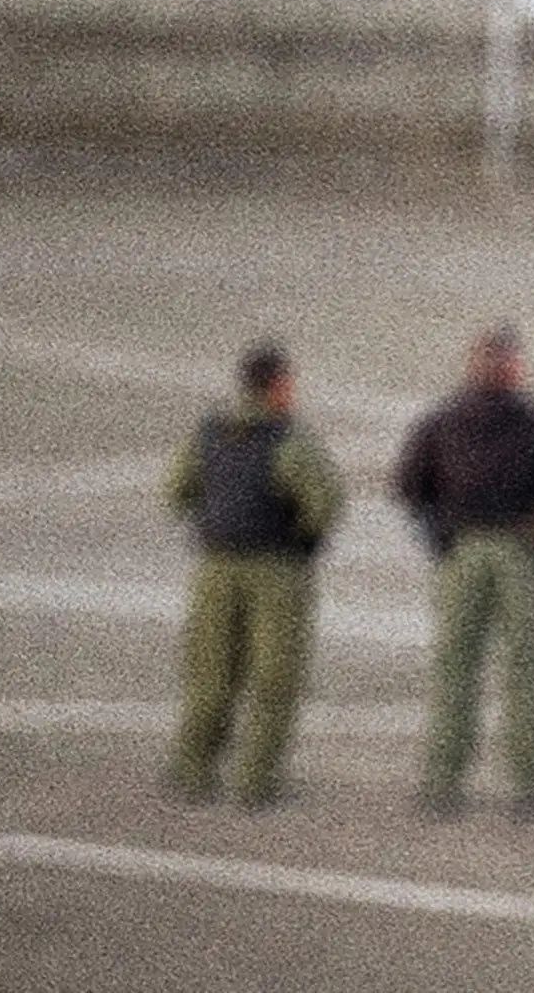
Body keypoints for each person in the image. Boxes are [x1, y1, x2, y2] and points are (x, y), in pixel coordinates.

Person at [392, 323, 534, 817]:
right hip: (491, 550)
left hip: (494, 550)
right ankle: (472, 783)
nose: (500, 367)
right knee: (486, 670)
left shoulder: (471, 421)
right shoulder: (503, 422)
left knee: (487, 671)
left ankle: (481, 783)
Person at [163, 341, 342, 807]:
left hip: (216, 568)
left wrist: (211, 521)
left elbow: (175, 491)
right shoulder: (289, 441)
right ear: (277, 385)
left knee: (210, 671)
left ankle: (193, 770)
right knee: (274, 675)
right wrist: (302, 541)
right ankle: (256, 781)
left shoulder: (208, 432)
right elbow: (324, 503)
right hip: (276, 572)